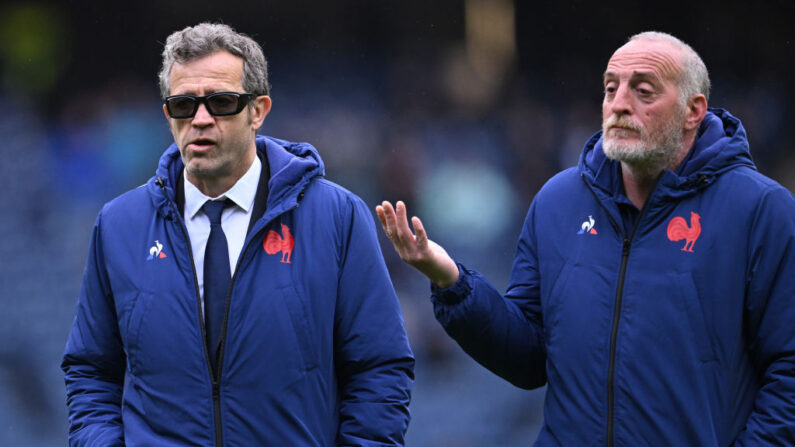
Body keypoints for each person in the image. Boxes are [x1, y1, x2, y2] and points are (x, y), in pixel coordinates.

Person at [377, 31, 795, 445]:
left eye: (643, 91)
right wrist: (453, 283)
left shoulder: (762, 211)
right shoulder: (559, 201)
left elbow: (788, 376)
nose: (619, 104)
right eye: (611, 88)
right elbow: (528, 358)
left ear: (693, 111)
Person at [62, 23, 414, 446]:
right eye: (183, 105)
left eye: (222, 102)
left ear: (258, 110)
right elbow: (91, 370)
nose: (201, 119)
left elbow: (379, 367)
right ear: (167, 114)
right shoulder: (119, 225)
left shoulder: (337, 218)